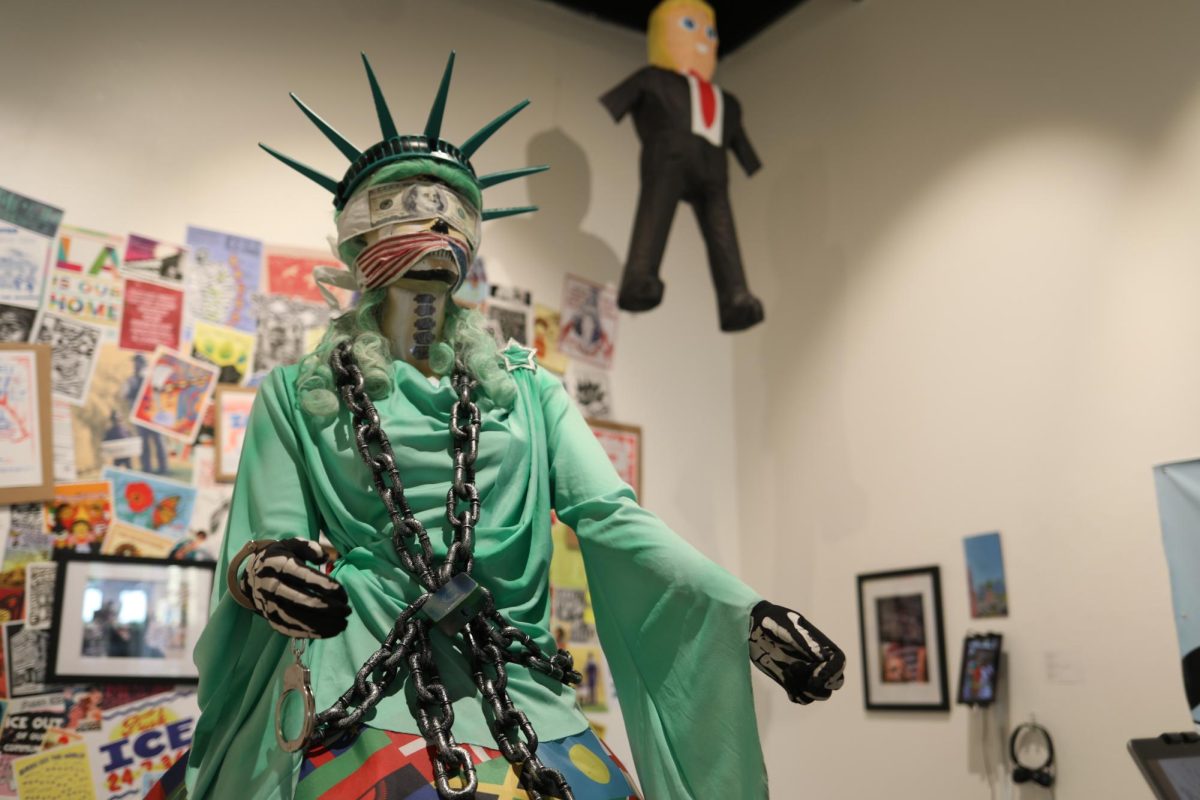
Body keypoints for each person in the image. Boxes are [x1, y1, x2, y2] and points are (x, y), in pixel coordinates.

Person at [156, 52, 844, 800]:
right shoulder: (299, 394)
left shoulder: (530, 392)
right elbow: (267, 531)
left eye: (451, 209)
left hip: (525, 694)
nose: (432, 223)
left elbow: (612, 517)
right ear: (354, 241)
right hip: (361, 684)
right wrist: (267, 574)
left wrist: (744, 614)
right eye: (400, 208)